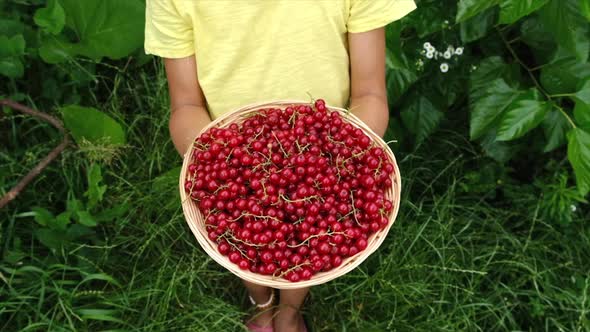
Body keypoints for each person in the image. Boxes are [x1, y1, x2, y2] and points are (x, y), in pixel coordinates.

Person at [144, 1, 416, 331]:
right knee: (248, 238)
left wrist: (337, 159)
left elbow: (370, 94)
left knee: (307, 240)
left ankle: (289, 309)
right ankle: (260, 301)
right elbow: (186, 104)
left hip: (323, 155)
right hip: (236, 163)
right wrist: (217, 160)